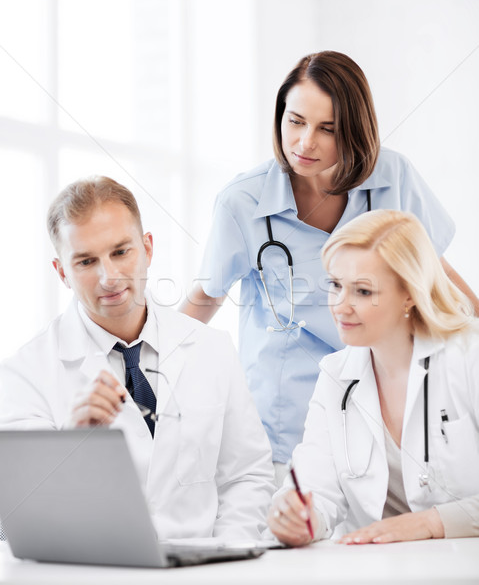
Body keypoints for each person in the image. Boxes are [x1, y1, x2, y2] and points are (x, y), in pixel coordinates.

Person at [180, 51, 479, 485]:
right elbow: (204, 299)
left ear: (355, 130)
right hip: (288, 426)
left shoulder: (394, 177)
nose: (305, 143)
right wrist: (152, 371)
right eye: (295, 121)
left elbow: (435, 274)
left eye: (328, 129)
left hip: (390, 412)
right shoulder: (241, 202)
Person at [0, 176, 275, 541]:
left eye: (120, 252)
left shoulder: (212, 348)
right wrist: (71, 444)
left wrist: (226, 553)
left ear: (147, 248)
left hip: (207, 570)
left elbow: (247, 476)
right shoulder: (26, 373)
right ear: (62, 272)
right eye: (85, 261)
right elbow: (19, 516)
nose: (109, 277)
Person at [268, 209, 479, 545]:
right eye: (335, 285)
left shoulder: (468, 357)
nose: (340, 305)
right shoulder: (336, 377)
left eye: (362, 292)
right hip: (373, 569)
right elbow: (315, 491)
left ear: (410, 293)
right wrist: (298, 518)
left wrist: (431, 523)